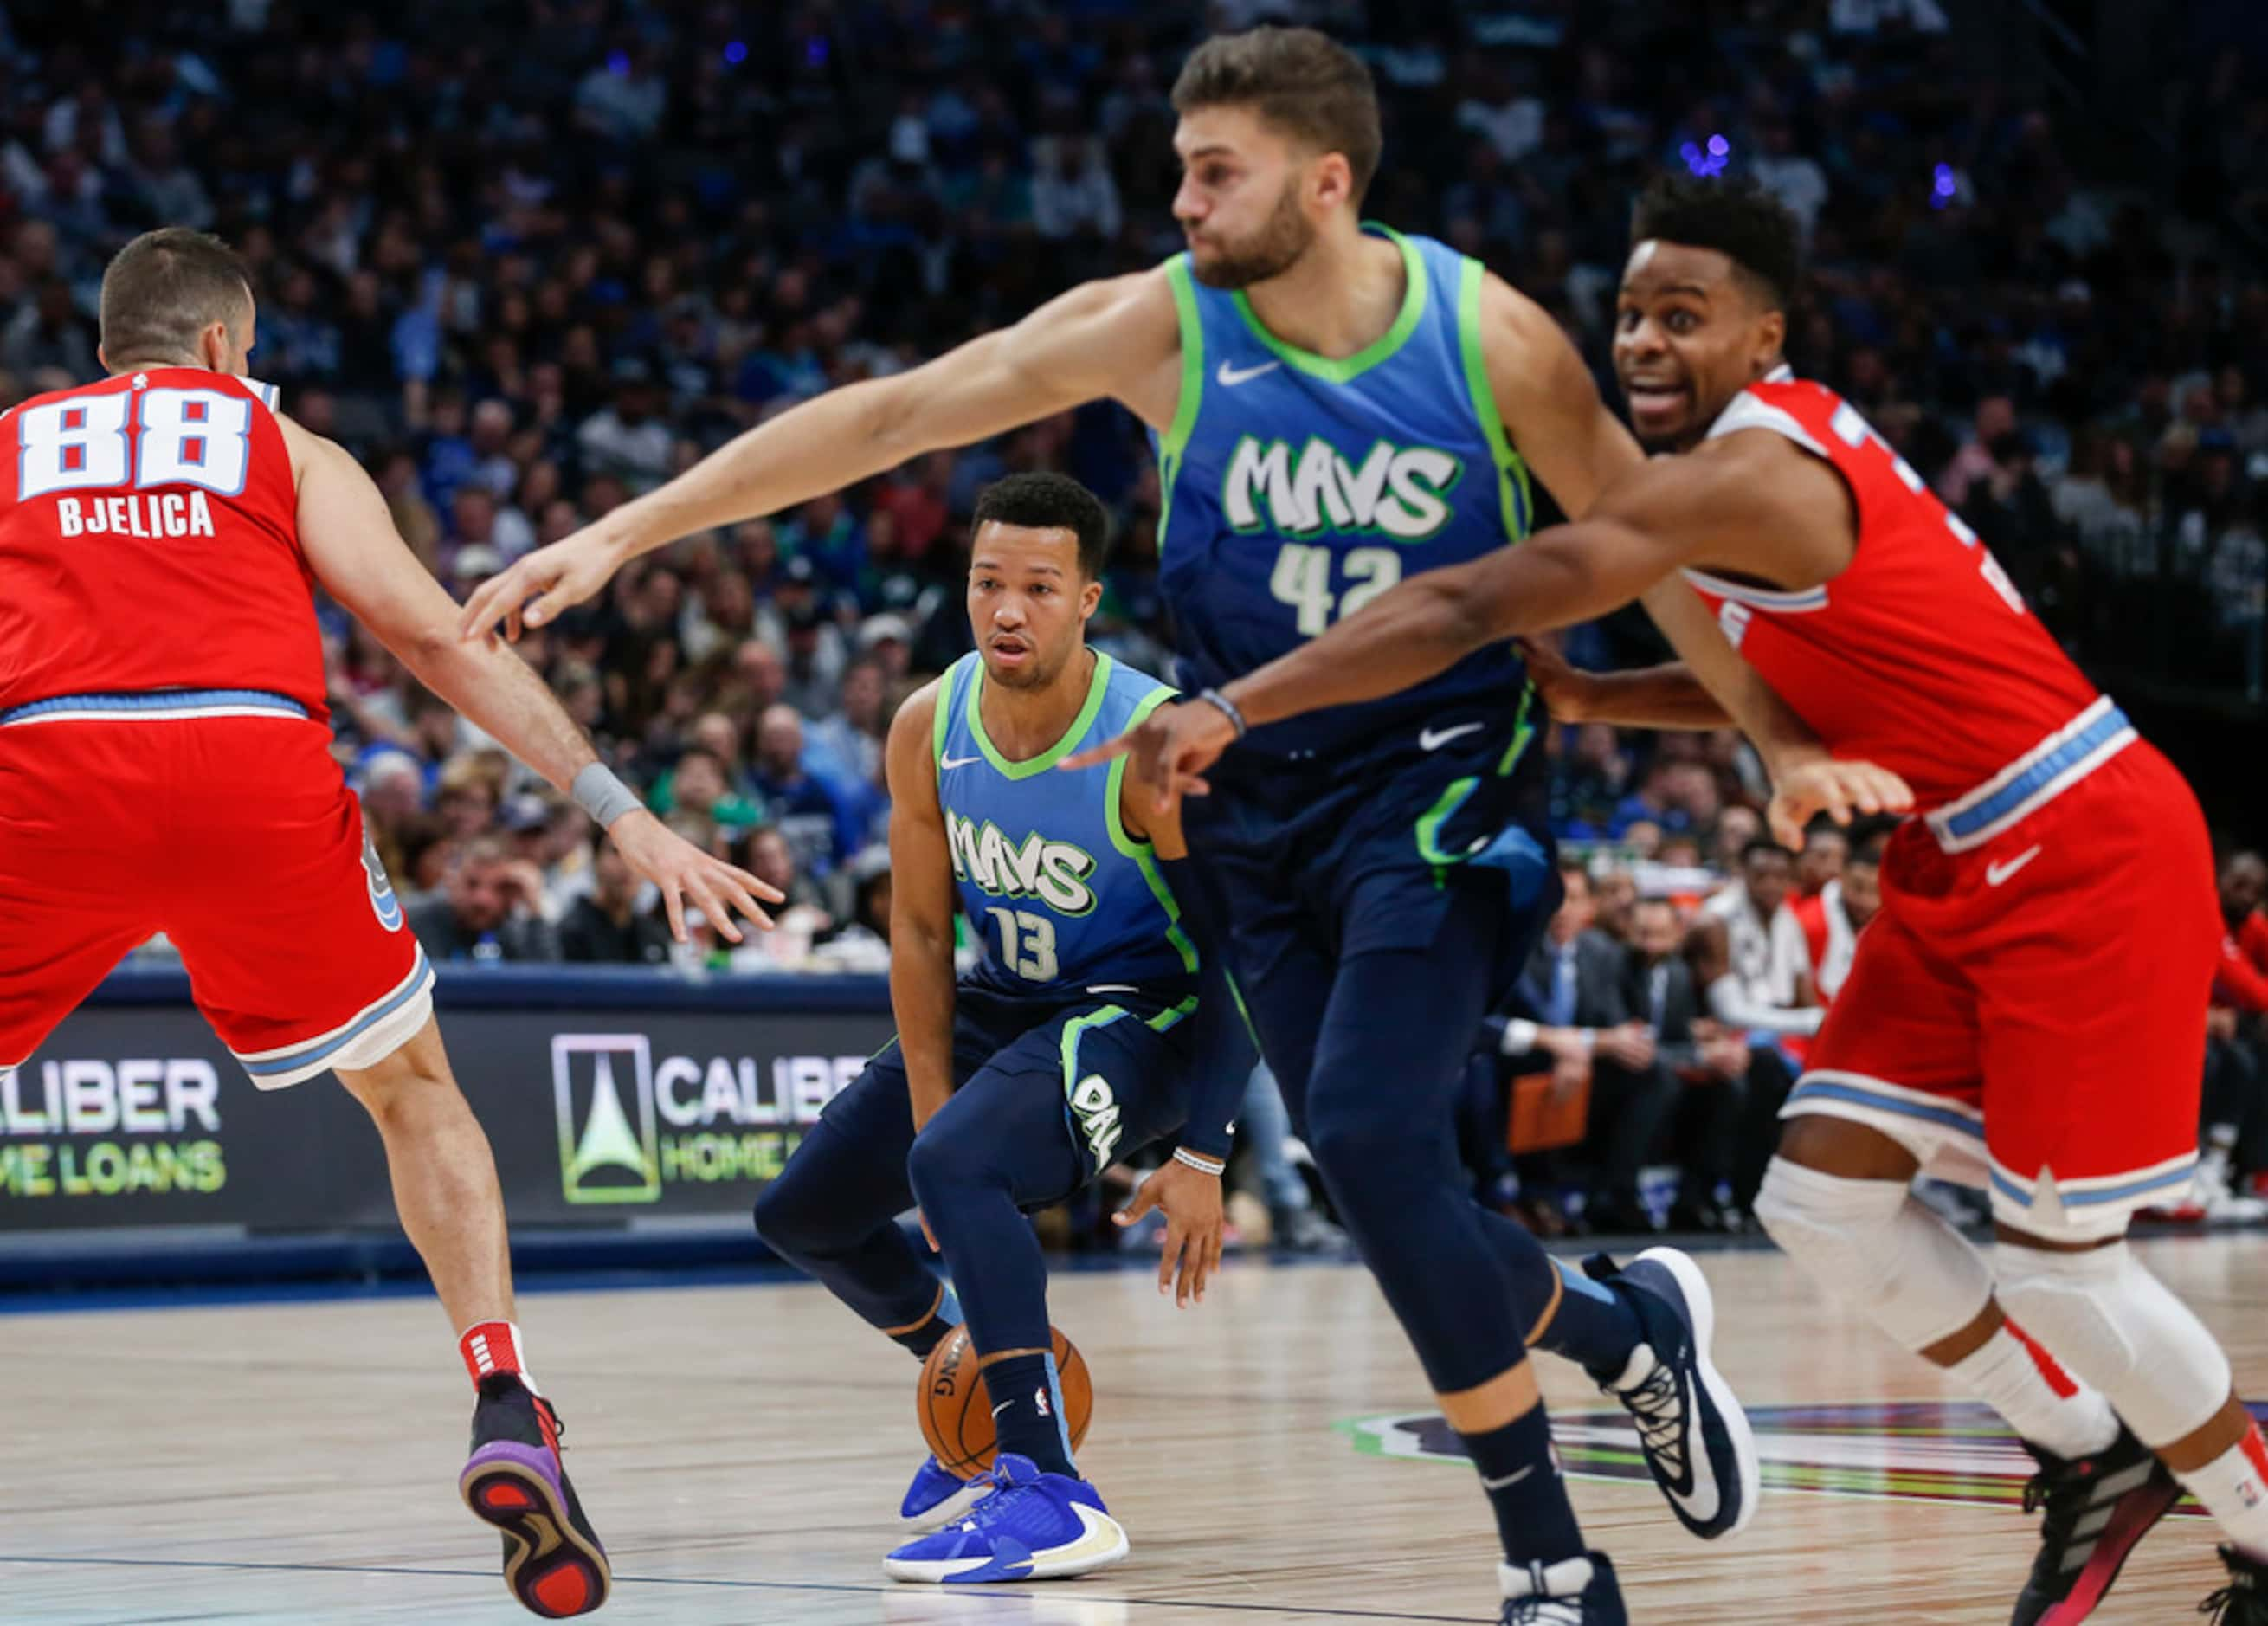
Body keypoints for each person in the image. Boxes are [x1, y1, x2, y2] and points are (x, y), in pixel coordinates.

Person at [464, 31, 1795, 1620]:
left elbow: (1648, 543)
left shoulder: (1490, 340)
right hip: (1258, 815)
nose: (1182, 200)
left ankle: (1553, 1563)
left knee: (1372, 1139)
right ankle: (1621, 1327)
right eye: (1178, 166)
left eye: (1214, 170)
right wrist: (625, 530)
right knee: (1388, 1195)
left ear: (1327, 179)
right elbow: (897, 412)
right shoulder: (1165, 330)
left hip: (1436, 794)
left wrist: (1782, 733)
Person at [1096, 172, 2267, 1622]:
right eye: (1633, 312)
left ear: (1765, 333)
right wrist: (1597, 693)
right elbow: (1788, 681)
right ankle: (2091, 1452)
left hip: (2079, 835)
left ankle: (2256, 1514)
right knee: (1823, 1202)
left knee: (2063, 1272)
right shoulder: (1727, 470)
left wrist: (1235, 699)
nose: (1644, 340)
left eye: (1684, 315)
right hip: (1948, 843)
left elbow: (1468, 605)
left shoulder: (1753, 472)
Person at [0, 229, 779, 1622]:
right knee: (414, 1091)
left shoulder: (12, 445)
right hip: (248, 761)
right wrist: (624, 814)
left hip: (47, 765)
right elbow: (433, 640)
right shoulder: (274, 442)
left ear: (108, 346)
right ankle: (502, 1390)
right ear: (231, 348)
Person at [751, 474, 1250, 1583]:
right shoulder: (929, 721)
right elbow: (922, 934)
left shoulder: (1152, 741)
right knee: (805, 1213)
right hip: (1010, 1002)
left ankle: (1050, 1491)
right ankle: (969, 1376)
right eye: (987, 584)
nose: (1007, 610)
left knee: (962, 1163)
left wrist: (1204, 1148)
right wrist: (930, 1106)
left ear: (1087, 601)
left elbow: (1241, 952)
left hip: (1147, 1016)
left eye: (1037, 586)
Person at [558, 830, 675, 965]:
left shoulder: (655, 936)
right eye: (616, 852)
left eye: (637, 854)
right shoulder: (571, 933)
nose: (627, 865)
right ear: (595, 860)